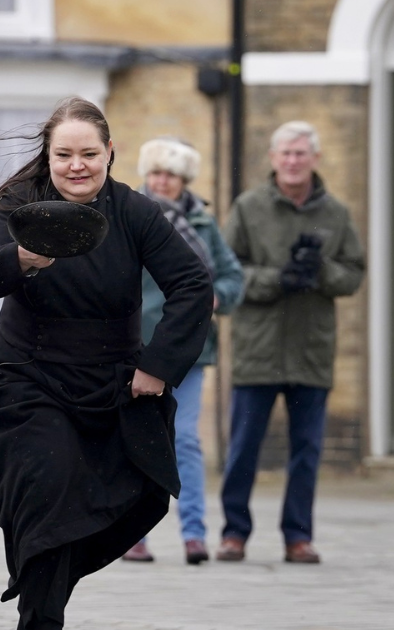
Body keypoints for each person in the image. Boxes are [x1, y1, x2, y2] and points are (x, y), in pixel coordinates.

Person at [0, 97, 213, 630]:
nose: (76, 166)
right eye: (63, 155)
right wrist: (22, 257)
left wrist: (158, 366)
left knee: (128, 499)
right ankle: (41, 615)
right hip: (23, 380)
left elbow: (193, 285)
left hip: (109, 384)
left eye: (88, 154)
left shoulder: (136, 211)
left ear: (109, 153)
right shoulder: (18, 201)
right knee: (46, 492)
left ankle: (46, 588)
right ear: (48, 157)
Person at [216, 121, 365, 565]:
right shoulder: (248, 207)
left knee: (307, 451)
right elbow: (228, 271)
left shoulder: (335, 214)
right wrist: (277, 279)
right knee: (244, 447)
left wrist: (318, 272)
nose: (293, 161)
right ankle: (234, 533)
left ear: (315, 159)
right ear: (274, 158)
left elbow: (354, 272)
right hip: (257, 348)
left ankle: (298, 536)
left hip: (310, 351)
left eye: (301, 153)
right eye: (286, 153)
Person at [119, 137, 245, 565]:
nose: (162, 181)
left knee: (186, 441)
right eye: (155, 173)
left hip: (190, 349)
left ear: (184, 179)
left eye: (170, 174)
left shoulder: (204, 225)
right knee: (135, 441)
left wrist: (211, 298)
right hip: (135, 347)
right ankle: (132, 536)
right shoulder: (129, 216)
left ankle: (193, 533)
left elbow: (231, 279)